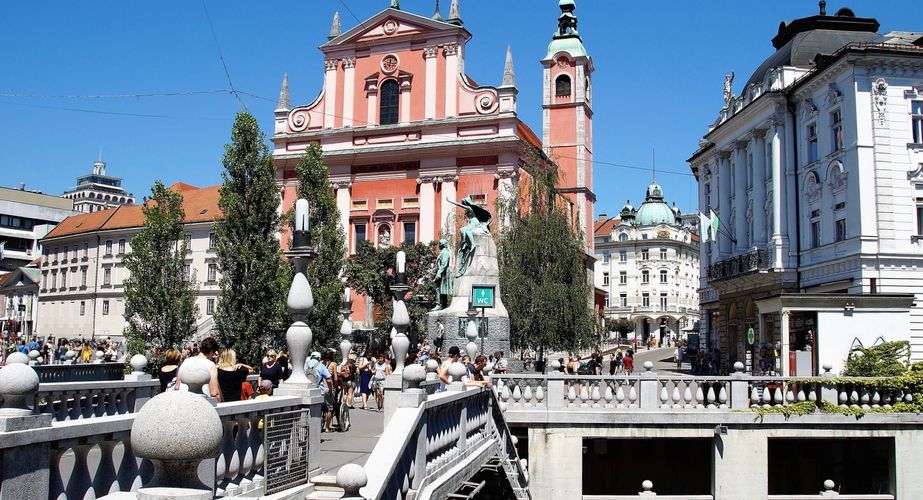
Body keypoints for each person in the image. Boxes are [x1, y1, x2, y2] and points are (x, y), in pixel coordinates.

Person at [311, 351, 335, 432]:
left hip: (309, 390)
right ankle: (327, 428)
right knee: (329, 408)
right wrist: (331, 390)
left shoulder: (305, 365)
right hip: (320, 390)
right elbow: (329, 380)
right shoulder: (321, 366)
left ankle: (313, 428)